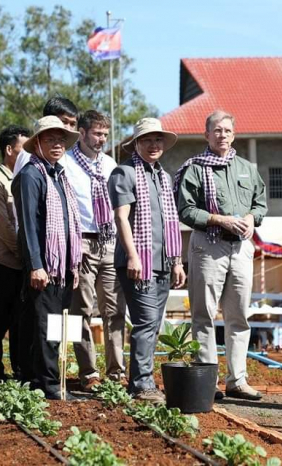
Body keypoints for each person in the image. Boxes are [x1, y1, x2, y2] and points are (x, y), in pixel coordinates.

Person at [174, 110, 267, 401]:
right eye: (216, 130)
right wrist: (218, 219)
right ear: (207, 135)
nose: (222, 135)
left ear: (234, 135)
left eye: (227, 130)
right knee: (203, 315)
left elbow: (260, 203)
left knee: (238, 315)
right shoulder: (195, 168)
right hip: (208, 246)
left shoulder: (246, 168)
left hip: (241, 248)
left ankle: (237, 380)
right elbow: (185, 210)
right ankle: (207, 381)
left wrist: (251, 218)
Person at [108, 118, 186, 402]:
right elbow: (121, 218)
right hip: (138, 261)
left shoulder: (163, 177)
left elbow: (170, 223)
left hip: (163, 262)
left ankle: (143, 382)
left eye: (158, 139)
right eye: (147, 140)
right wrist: (132, 255)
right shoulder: (124, 172)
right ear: (136, 144)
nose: (154, 145)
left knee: (153, 324)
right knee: (146, 322)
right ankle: (142, 385)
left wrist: (177, 261)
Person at [11, 116, 82, 400]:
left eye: (61, 139)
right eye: (50, 139)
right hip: (44, 266)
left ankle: (48, 380)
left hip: (62, 267)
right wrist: (36, 265)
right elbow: (28, 225)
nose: (57, 144)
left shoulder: (59, 175)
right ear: (38, 143)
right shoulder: (31, 175)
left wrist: (73, 264)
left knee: (55, 325)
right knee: (44, 326)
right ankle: (48, 384)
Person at [66, 110, 126, 391]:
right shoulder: (66, 163)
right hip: (82, 241)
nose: (102, 139)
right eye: (97, 134)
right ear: (82, 133)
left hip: (109, 240)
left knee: (114, 310)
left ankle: (117, 371)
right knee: (81, 309)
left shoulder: (110, 164)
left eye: (105, 134)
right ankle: (88, 372)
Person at [0, 125, 30, 389]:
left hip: (21, 261)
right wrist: (25, 254)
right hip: (3, 260)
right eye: (24, 148)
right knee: (0, 317)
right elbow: (3, 226)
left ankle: (20, 370)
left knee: (20, 319)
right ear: (9, 150)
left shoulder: (25, 178)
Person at [13, 97, 79, 177]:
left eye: (72, 124)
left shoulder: (70, 158)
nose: (68, 128)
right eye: (64, 122)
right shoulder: (30, 156)